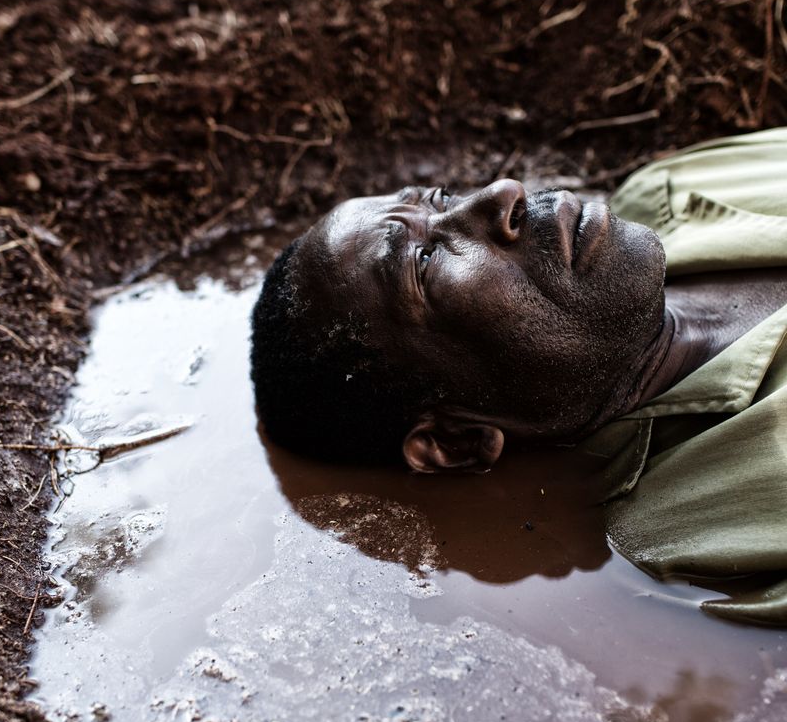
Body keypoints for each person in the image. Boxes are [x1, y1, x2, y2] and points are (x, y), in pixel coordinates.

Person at [252, 128, 787, 624]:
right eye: (425, 261)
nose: (504, 191)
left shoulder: (672, 187)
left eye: (439, 199)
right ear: (455, 442)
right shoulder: (719, 538)